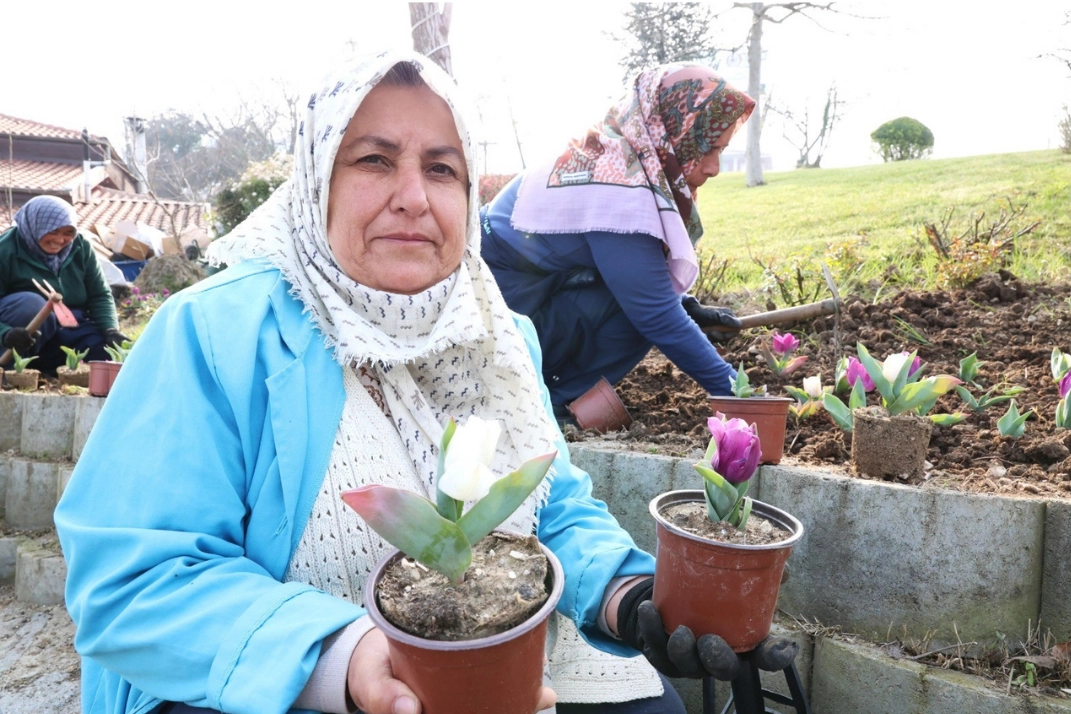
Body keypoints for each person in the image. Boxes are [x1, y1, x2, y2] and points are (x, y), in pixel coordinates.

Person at [55, 51, 793, 714]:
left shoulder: (498, 334)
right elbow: (134, 580)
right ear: (318, 182)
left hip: (496, 654)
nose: (413, 195)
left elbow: (554, 507)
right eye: (374, 160)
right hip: (274, 679)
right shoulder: (218, 332)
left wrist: (626, 596)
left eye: (442, 169)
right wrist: (344, 660)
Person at [480, 64, 753, 415]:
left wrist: (684, 305)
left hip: (519, 296)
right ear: (674, 134)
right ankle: (549, 403)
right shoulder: (620, 189)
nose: (714, 167)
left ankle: (549, 392)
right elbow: (654, 312)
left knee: (646, 304)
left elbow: (622, 270)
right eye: (709, 148)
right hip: (495, 325)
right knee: (640, 317)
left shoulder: (614, 153)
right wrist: (739, 395)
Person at [0, 195, 128, 371]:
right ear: (34, 226)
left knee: (105, 356)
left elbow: (99, 295)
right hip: (22, 333)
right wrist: (5, 333)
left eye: (68, 233)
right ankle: (11, 376)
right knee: (32, 303)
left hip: (68, 325)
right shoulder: (5, 250)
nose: (60, 240)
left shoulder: (80, 247)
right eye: (52, 231)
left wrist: (110, 330)